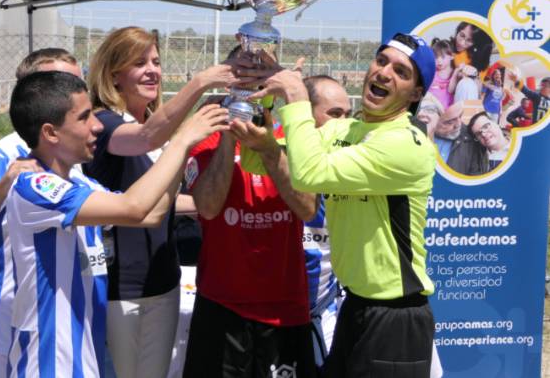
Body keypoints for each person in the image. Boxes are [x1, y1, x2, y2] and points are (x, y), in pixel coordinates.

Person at [5, 71, 229, 376]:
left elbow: (152, 213)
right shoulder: (34, 186)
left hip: (82, 353)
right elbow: (133, 207)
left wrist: (185, 149)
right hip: (49, 360)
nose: (97, 126)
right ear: (51, 133)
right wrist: (181, 140)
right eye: (84, 118)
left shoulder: (80, 184)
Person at [240, 32, 438, 378]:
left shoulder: (407, 144)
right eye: (381, 61)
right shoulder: (344, 130)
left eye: (401, 72)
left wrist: (297, 96)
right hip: (355, 307)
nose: (384, 73)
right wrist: (266, 100)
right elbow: (257, 160)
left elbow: (308, 174)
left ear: (415, 94)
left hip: (396, 319)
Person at [83, 26, 241, 378]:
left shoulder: (157, 131)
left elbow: (162, 203)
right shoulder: (104, 123)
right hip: (119, 287)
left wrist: (212, 203)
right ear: (114, 74)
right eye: (139, 63)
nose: (152, 70)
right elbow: (144, 138)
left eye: (156, 61)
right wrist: (200, 83)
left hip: (163, 280)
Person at [181, 49, 319, 378]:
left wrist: (269, 150)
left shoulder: (290, 135)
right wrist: (230, 136)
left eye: (261, 75)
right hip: (221, 307)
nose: (252, 85)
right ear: (229, 82)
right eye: (243, 76)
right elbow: (208, 207)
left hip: (285, 309)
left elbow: (307, 208)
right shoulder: (207, 136)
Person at [0, 48, 82, 377]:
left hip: (58, 314)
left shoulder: (74, 148)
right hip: (13, 317)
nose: (77, 92)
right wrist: (4, 185)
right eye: (64, 82)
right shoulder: (8, 152)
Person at [300, 75, 351, 366]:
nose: (344, 124)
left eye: (347, 115)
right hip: (271, 316)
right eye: (335, 114)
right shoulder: (271, 157)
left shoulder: (353, 166)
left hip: (324, 312)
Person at [432, 101, 488, 176]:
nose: (458, 125)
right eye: (449, 122)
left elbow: (475, 178)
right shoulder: (419, 135)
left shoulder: (471, 139)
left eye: (460, 116)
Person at [428, 39, 455, 110]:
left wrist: (456, 73)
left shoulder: (455, 73)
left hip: (447, 111)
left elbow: (451, 89)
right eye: (436, 57)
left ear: (452, 56)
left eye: (443, 57)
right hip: (431, 108)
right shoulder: (432, 72)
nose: (439, 61)